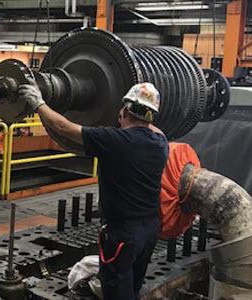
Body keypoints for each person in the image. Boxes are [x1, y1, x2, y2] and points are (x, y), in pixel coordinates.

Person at [18, 80, 169, 300]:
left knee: (116, 291)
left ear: (125, 110)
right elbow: (151, 128)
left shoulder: (115, 140)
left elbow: (63, 128)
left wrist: (39, 103)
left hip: (123, 235)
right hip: (149, 230)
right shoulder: (160, 142)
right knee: (133, 286)